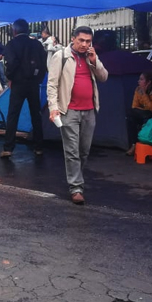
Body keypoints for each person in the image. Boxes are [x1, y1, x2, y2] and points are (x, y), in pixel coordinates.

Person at [47, 26, 109, 204]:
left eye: (88, 41)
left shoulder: (90, 56)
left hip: (89, 110)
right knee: (72, 151)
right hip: (69, 110)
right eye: (81, 40)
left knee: (84, 150)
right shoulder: (62, 56)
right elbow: (52, 84)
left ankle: (76, 179)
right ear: (73, 39)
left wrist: (95, 61)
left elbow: (104, 77)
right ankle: (76, 188)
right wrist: (53, 107)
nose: (84, 44)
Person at [1, 19, 47, 158]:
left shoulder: (11, 44)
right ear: (27, 30)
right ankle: (39, 147)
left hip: (18, 84)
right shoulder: (36, 44)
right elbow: (43, 63)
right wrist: (38, 79)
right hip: (33, 84)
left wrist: (10, 78)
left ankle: (8, 148)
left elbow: (11, 63)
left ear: (14, 30)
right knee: (36, 114)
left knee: (13, 115)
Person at [125, 70, 152, 156]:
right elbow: (134, 107)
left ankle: (145, 146)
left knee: (145, 119)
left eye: (141, 79)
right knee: (130, 117)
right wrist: (146, 110)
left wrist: (144, 94)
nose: (139, 81)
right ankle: (134, 144)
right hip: (146, 113)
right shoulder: (138, 90)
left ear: (148, 82)